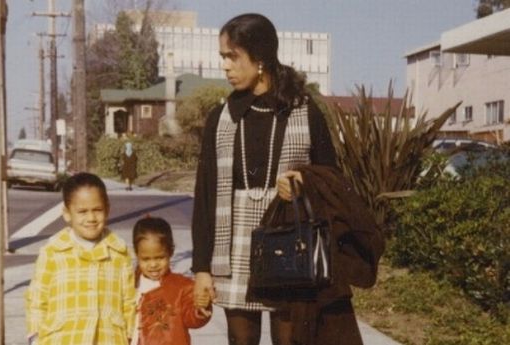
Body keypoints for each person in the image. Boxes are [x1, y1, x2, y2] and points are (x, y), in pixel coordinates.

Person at [191, 13, 384, 345]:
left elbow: (333, 183)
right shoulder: (219, 119)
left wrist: (302, 184)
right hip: (233, 249)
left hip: (290, 246)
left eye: (232, 56)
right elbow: (205, 196)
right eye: (223, 57)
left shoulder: (305, 112)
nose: (225, 66)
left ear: (261, 57)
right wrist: (201, 269)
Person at [25, 172, 136, 345]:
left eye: (97, 210)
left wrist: (130, 336)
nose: (91, 218)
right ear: (67, 213)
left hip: (109, 339)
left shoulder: (119, 253)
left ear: (107, 209)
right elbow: (37, 300)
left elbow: (129, 302)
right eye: (82, 212)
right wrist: (35, 337)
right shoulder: (53, 252)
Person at [131, 216, 211, 345]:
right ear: (137, 254)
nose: (153, 265)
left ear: (170, 252)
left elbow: (192, 319)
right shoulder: (129, 284)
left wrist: (201, 306)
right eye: (146, 259)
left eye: (159, 258)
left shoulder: (181, 287)